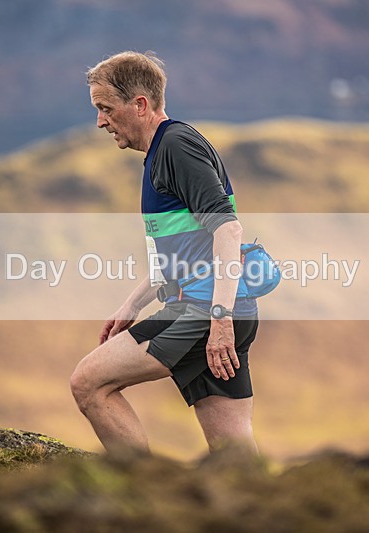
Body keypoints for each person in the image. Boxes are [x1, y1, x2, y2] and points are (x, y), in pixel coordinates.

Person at [71, 51, 260, 455]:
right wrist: (131, 305)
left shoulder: (176, 146)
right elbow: (183, 254)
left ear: (140, 105)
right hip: (220, 308)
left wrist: (219, 319)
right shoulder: (163, 149)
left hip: (204, 312)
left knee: (89, 382)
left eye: (105, 108)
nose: (100, 121)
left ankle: (143, 496)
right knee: (235, 455)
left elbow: (228, 229)